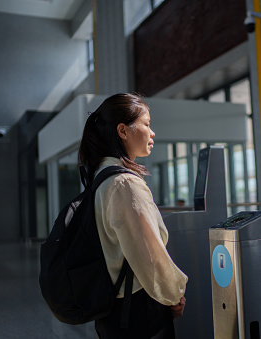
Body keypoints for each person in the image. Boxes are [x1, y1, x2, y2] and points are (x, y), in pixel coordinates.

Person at [78, 93, 188, 339]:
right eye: (147, 124)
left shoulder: (102, 177)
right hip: (137, 310)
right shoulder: (124, 183)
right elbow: (150, 255)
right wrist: (173, 295)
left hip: (114, 308)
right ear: (123, 131)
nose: (152, 132)